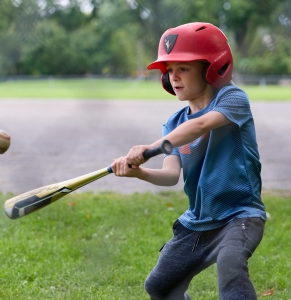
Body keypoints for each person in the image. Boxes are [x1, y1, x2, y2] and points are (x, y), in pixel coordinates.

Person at [111, 22, 266, 300]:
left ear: (211, 68)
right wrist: (140, 173)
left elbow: (201, 124)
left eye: (183, 68)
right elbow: (171, 175)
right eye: (169, 71)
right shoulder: (173, 123)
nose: (174, 78)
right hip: (198, 221)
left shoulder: (232, 99)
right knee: (159, 286)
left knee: (231, 265)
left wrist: (151, 147)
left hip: (239, 215)